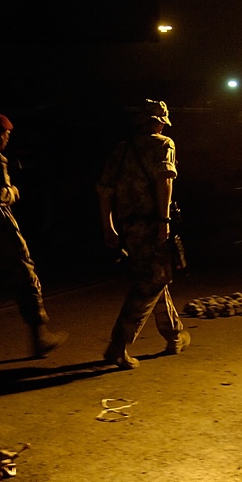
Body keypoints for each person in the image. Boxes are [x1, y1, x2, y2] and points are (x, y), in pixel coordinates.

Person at [0, 112, 68, 367]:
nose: (8, 138)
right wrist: (14, 192)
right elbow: (0, 195)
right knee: (26, 277)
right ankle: (39, 337)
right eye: (6, 134)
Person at [96, 99, 190, 369]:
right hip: (152, 224)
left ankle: (174, 334)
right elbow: (165, 181)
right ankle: (119, 344)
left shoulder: (122, 150)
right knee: (149, 283)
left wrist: (108, 226)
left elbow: (104, 190)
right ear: (160, 122)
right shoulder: (164, 144)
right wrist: (165, 220)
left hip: (128, 227)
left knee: (155, 277)